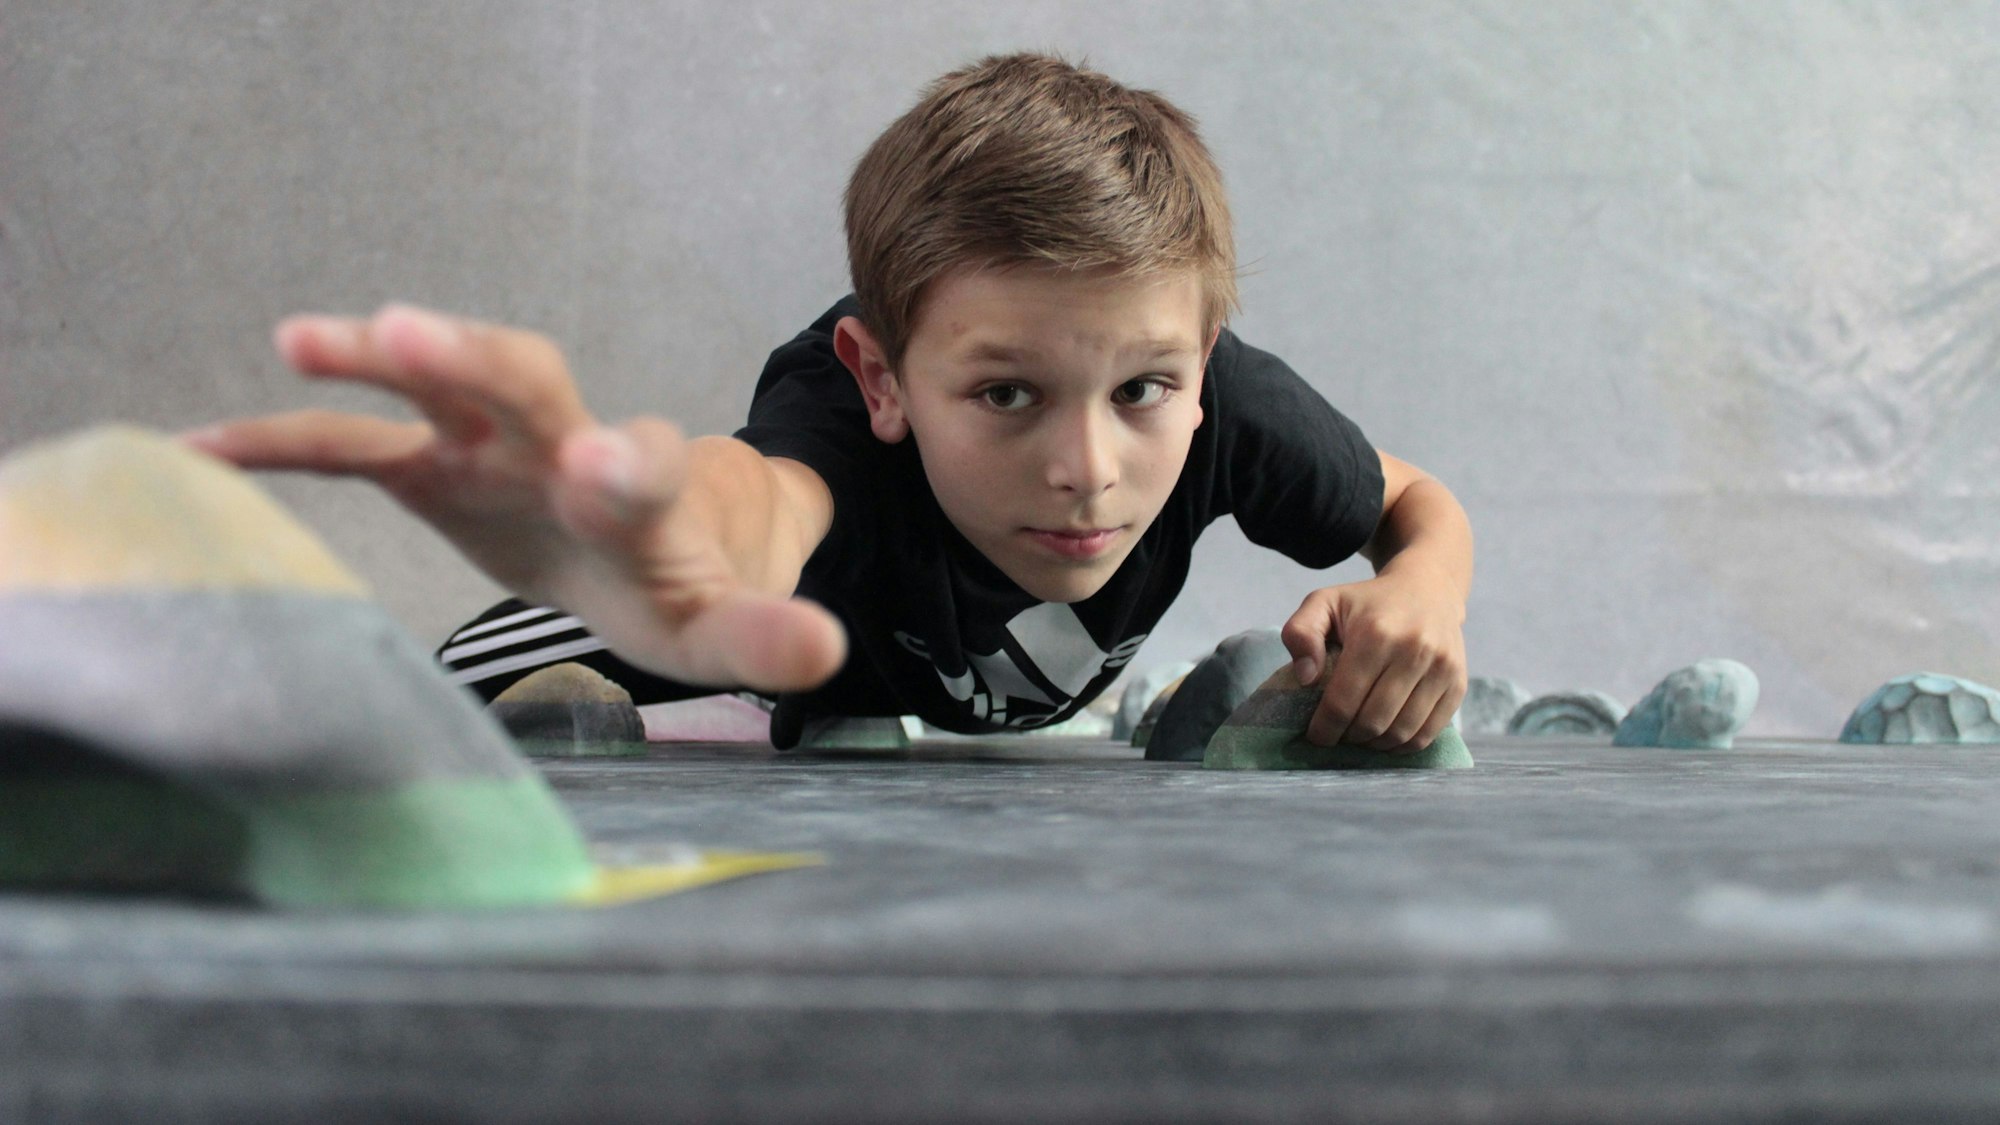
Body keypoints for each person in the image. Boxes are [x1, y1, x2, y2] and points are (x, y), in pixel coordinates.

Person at [190, 52, 1473, 752]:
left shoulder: (1224, 404)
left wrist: (1420, 596)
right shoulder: (830, 426)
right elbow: (757, 496)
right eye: (1006, 393)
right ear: (883, 381)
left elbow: (1415, 505)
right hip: (770, 626)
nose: (1086, 462)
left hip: (967, 679)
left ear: (1198, 358)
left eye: (1143, 389)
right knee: (468, 686)